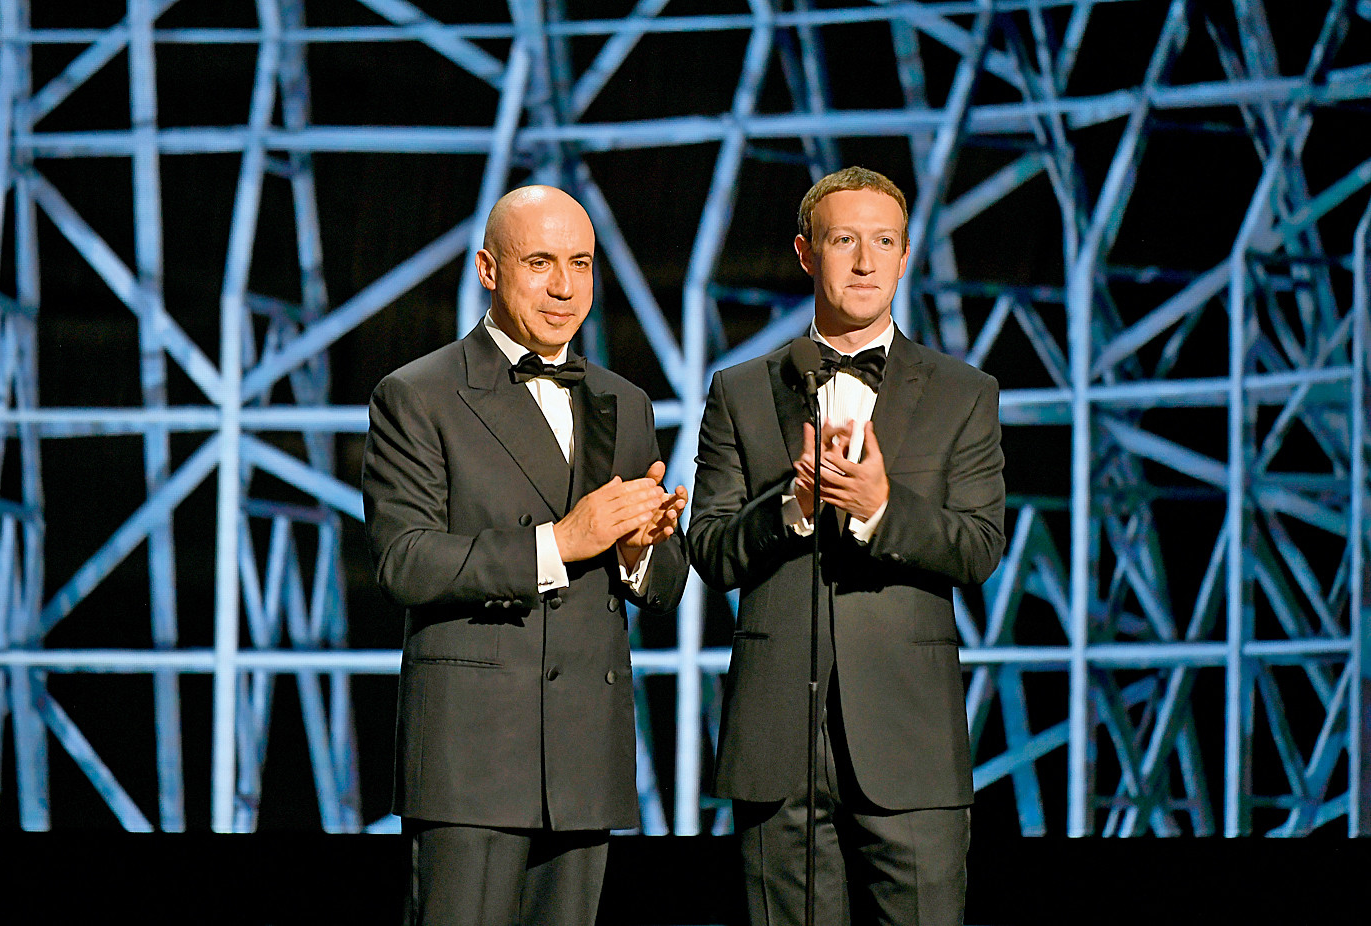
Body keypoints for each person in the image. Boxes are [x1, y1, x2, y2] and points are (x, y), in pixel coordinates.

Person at [362, 184, 689, 926]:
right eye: (539, 262)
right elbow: (403, 562)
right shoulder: (418, 394)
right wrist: (560, 543)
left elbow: (664, 583)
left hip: (585, 755)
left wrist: (639, 550)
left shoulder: (624, 401)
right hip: (473, 758)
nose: (564, 287)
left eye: (581, 263)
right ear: (488, 269)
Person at [688, 166, 1005, 926]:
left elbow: (978, 547)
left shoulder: (964, 392)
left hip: (911, 742)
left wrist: (881, 509)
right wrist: (791, 508)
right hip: (777, 744)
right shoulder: (740, 389)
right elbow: (710, 549)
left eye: (884, 242)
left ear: (905, 257)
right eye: (844, 241)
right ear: (806, 253)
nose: (865, 263)